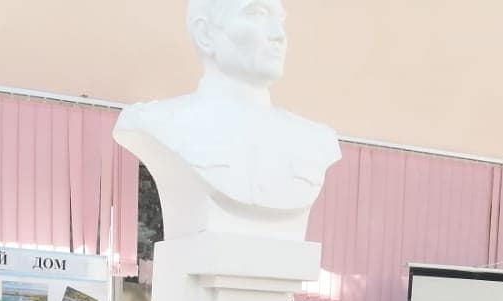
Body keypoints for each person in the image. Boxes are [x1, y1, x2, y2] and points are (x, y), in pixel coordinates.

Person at [114, 0, 340, 237]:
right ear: (205, 33)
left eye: (280, 20)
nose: (279, 35)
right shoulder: (157, 123)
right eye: (257, 14)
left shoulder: (317, 140)